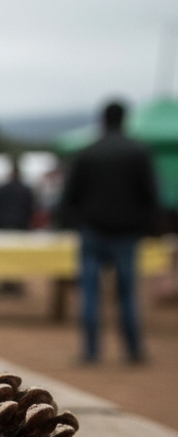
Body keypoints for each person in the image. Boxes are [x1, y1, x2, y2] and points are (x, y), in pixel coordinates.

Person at [60, 100, 159, 363]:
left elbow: (69, 196)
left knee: (90, 292)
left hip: (92, 231)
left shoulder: (87, 152)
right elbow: (150, 195)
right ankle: (133, 350)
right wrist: (147, 226)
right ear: (125, 119)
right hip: (126, 234)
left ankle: (91, 351)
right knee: (127, 293)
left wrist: (77, 221)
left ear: (102, 119)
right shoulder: (139, 152)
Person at [0, 159, 34, 230]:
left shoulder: (2, 189)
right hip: (20, 222)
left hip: (2, 222)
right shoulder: (25, 190)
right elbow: (30, 207)